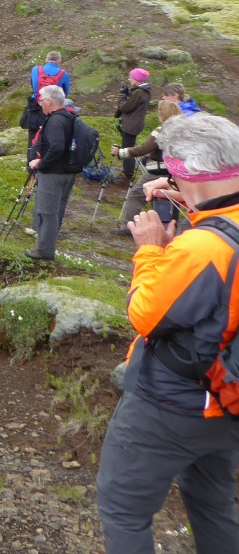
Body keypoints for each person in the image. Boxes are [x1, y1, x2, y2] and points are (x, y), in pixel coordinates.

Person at [96, 113, 239, 553]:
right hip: (226, 397)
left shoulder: (202, 248)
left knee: (122, 508)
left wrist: (150, 251)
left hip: (172, 404)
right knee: (213, 503)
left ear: (185, 170)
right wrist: (190, 201)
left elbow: (145, 314)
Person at [26, 85, 79, 261]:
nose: (39, 103)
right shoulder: (69, 117)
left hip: (53, 173)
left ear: (49, 101)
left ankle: (45, 251)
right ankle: (46, 246)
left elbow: (56, 147)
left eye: (41, 100)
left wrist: (41, 163)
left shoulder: (55, 121)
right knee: (54, 210)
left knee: (47, 211)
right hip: (67, 171)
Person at [113, 100, 182, 230]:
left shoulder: (161, 131)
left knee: (136, 195)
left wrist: (121, 152)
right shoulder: (183, 131)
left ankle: (129, 226)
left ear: (162, 114)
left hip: (157, 171)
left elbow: (144, 148)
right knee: (170, 198)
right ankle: (170, 228)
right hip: (176, 172)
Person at [116, 68, 153, 183]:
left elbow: (125, 107)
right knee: (128, 146)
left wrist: (122, 95)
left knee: (127, 149)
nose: (129, 79)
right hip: (135, 124)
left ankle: (127, 175)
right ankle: (128, 172)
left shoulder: (139, 92)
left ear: (136, 80)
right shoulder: (143, 91)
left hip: (131, 126)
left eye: (131, 77)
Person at [21, 52, 70, 135]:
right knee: (50, 133)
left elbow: (33, 85)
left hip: (35, 105)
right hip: (52, 107)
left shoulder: (35, 69)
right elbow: (64, 94)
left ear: (46, 59)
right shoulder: (64, 74)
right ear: (59, 60)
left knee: (33, 133)